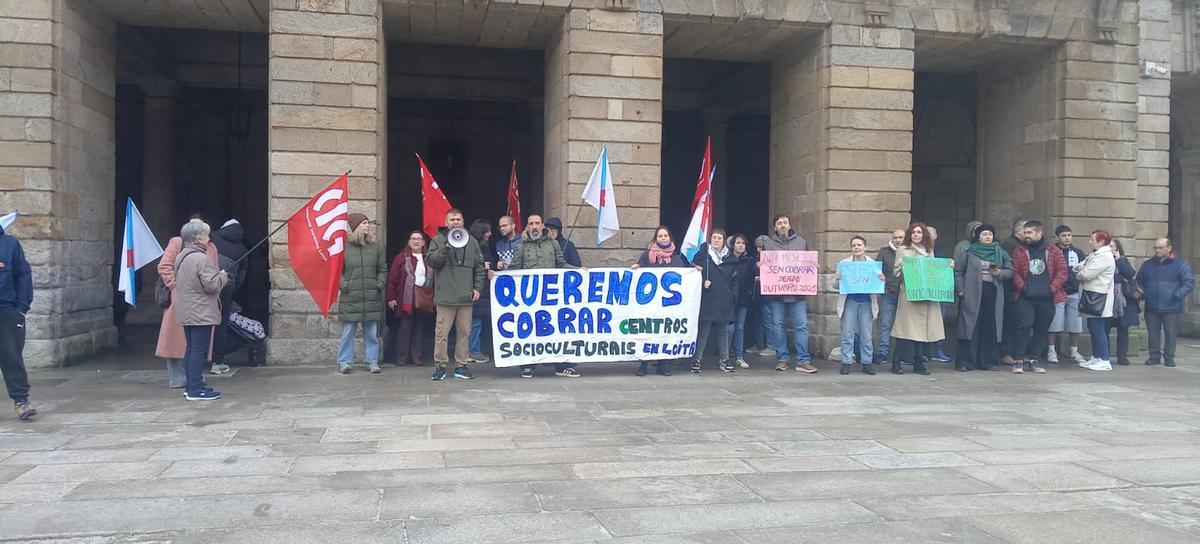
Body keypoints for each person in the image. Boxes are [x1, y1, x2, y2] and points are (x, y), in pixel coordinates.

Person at [508, 214, 579, 378]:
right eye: (531, 223)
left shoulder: (553, 244)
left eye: (537, 223)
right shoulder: (521, 246)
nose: (534, 226)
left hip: (551, 297)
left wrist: (578, 270)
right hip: (530, 298)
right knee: (529, 330)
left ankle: (561, 365)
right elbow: (514, 269)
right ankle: (527, 365)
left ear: (542, 226)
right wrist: (497, 275)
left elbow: (561, 264)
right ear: (527, 226)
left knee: (556, 329)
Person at [157, 216, 219, 389]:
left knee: (196, 344)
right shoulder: (177, 243)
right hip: (181, 299)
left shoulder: (211, 247)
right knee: (177, 342)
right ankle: (179, 379)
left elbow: (210, 273)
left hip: (203, 301)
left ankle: (194, 379)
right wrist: (175, 286)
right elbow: (164, 265)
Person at [427, 208, 485, 381]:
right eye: (452, 220)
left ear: (463, 222)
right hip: (445, 297)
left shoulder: (472, 242)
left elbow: (480, 267)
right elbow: (431, 262)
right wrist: (445, 248)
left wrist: (477, 288)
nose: (455, 222)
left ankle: (461, 365)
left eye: (458, 219)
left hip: (465, 296)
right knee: (441, 334)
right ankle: (440, 366)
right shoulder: (437, 240)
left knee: (464, 333)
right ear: (446, 222)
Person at [174, 220, 228, 400]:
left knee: (191, 348)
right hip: (200, 311)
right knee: (198, 350)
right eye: (206, 235)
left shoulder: (182, 256)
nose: (208, 238)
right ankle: (196, 389)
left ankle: (192, 384)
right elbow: (211, 286)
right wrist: (222, 276)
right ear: (198, 239)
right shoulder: (201, 258)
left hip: (187, 309)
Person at [1008, 221, 1066, 374]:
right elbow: (1015, 272)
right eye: (1024, 232)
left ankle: (1035, 360)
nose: (1025, 235)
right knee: (1024, 325)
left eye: (1029, 233)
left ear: (1039, 233)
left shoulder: (1053, 251)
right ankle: (1018, 360)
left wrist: (1052, 289)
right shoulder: (1020, 251)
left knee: (1041, 329)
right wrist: (1023, 288)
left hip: (1047, 297)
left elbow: (1062, 272)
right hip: (1025, 296)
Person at [953, 224, 1013, 372]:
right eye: (984, 234)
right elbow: (958, 271)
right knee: (970, 326)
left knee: (991, 327)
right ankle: (966, 362)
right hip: (972, 293)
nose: (988, 237)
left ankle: (988, 361)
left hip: (993, 292)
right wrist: (961, 291)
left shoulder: (999, 251)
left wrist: (999, 273)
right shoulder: (969, 252)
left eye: (990, 234)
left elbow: (1010, 269)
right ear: (978, 236)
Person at [762, 214, 816, 373]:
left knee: (802, 326)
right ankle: (782, 359)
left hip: (797, 293)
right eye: (779, 223)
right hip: (777, 294)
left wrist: (813, 266)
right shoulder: (768, 245)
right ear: (775, 227)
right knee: (777, 326)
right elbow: (767, 267)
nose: (783, 225)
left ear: (789, 225)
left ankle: (803, 361)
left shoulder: (801, 242)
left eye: (785, 222)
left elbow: (808, 263)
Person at [631, 226, 687, 376]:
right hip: (650, 304)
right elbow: (640, 274)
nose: (663, 238)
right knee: (648, 332)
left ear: (670, 238)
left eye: (665, 236)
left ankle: (663, 365)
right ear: (656, 239)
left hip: (668, 305)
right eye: (660, 236)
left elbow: (684, 276)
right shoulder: (647, 256)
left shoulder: (676, 258)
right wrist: (636, 268)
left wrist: (695, 271)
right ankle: (644, 365)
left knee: (665, 333)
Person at [891, 223, 944, 375]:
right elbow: (896, 272)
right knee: (904, 330)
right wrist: (902, 267)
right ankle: (896, 362)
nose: (916, 234)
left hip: (925, 296)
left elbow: (933, 271)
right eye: (913, 232)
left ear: (923, 235)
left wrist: (946, 267)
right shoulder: (903, 250)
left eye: (919, 232)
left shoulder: (929, 251)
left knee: (923, 332)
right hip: (910, 296)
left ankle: (919, 363)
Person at [337, 213, 386, 375]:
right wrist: (344, 285)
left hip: (371, 297)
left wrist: (378, 284)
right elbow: (337, 271)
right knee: (347, 332)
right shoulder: (343, 248)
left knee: (371, 333)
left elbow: (382, 269)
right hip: (350, 296)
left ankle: (372, 361)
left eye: (368, 223)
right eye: (364, 223)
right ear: (355, 227)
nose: (368, 226)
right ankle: (344, 361)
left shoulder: (376, 247)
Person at [1137, 237, 1195, 367]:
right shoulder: (1148, 265)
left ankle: (1169, 357)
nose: (1157, 250)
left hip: (1171, 306)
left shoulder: (1180, 264)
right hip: (1152, 305)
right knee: (1152, 333)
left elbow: (1189, 283)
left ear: (1169, 249)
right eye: (1155, 248)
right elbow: (1139, 280)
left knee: (1170, 333)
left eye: (1160, 248)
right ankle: (1154, 356)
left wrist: (1176, 295)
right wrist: (1142, 293)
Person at [834, 235, 884, 375]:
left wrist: (881, 279)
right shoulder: (844, 264)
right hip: (849, 301)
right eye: (854, 245)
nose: (856, 247)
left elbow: (877, 286)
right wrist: (837, 279)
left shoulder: (872, 265)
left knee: (866, 335)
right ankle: (846, 362)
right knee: (847, 333)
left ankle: (867, 362)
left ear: (865, 247)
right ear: (851, 248)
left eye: (859, 245)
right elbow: (836, 286)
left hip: (866, 302)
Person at [0, 221, 35, 419]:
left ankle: (21, 401)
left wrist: (21, 308)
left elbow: (23, 275)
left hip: (6, 309)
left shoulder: (9, 244)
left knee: (11, 357)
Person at [691, 229, 736, 374]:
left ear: (724, 240)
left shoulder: (730, 258)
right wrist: (703, 279)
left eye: (719, 238)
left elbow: (735, 280)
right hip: (707, 298)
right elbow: (692, 273)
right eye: (714, 238)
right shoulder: (702, 256)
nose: (716, 240)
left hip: (724, 299)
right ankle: (696, 360)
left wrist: (733, 295)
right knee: (704, 330)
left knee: (723, 331)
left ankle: (724, 359)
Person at [385, 230, 432, 367]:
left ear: (423, 242)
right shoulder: (402, 257)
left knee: (419, 328)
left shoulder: (428, 258)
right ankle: (402, 357)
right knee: (405, 328)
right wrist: (391, 298)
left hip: (423, 297)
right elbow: (392, 279)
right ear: (409, 242)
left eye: (419, 239)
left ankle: (416, 356)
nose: (416, 241)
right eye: (413, 239)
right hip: (406, 299)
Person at [209, 218, 248, 375]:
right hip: (226, 288)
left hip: (206, 287)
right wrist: (231, 289)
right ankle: (218, 361)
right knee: (221, 324)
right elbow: (241, 277)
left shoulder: (213, 238)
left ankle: (193, 357)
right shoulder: (242, 249)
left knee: (199, 323)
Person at [1075, 230, 1116, 371]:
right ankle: (1097, 356)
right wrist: (1081, 269)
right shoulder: (1096, 254)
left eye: (1092, 239)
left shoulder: (1103, 257)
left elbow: (1086, 274)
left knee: (1098, 329)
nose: (1089, 241)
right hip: (1092, 295)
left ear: (1101, 241)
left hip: (1099, 297)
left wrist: (1080, 272)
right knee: (1093, 327)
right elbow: (1081, 265)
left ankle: (1104, 359)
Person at [1048, 225, 1088, 365]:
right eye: (1064, 235)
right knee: (1055, 323)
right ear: (1057, 237)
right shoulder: (1051, 251)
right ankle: (1051, 350)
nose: (1067, 238)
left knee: (1075, 324)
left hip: (1074, 291)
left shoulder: (1078, 252)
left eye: (1069, 235)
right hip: (1058, 291)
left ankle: (1074, 350)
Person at [874, 229, 905, 364]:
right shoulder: (884, 252)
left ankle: (903, 354)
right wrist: (878, 274)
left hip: (905, 294)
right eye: (896, 237)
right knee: (885, 324)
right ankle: (883, 352)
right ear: (892, 238)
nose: (898, 240)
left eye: (901, 237)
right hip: (888, 292)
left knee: (905, 324)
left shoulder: (909, 252)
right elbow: (875, 268)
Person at [467, 219, 496, 364]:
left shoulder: (485, 247)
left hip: (485, 290)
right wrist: (481, 265)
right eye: (488, 231)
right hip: (477, 289)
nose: (490, 234)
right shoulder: (471, 246)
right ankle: (473, 351)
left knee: (480, 322)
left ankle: (480, 350)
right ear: (481, 232)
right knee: (475, 323)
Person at [726, 234, 757, 369]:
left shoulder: (749, 261)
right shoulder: (726, 260)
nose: (740, 245)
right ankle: (725, 355)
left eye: (743, 243)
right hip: (729, 299)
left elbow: (752, 278)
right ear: (733, 245)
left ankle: (739, 356)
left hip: (743, 298)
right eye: (738, 243)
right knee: (728, 329)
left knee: (739, 328)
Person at [1108, 239, 1140, 366]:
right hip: (1108, 300)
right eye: (1109, 247)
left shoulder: (1123, 261)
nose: (1111, 249)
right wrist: (1120, 278)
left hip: (1123, 301)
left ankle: (1122, 356)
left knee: (1123, 330)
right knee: (1105, 329)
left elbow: (1131, 274)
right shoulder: (1103, 261)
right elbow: (1109, 277)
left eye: (1113, 247)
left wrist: (1119, 259)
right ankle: (1104, 355)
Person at [925, 225, 951, 363]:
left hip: (940, 292)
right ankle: (923, 352)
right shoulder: (920, 252)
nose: (929, 236)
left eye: (931, 234)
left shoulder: (942, 252)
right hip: (924, 293)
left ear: (936, 236)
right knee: (923, 323)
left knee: (939, 323)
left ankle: (938, 350)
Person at [753, 234, 775, 357]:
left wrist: (763, 277)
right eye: (757, 247)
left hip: (768, 295)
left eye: (761, 247)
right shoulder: (755, 259)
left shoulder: (773, 260)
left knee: (768, 321)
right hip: (757, 294)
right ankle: (759, 344)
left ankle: (771, 346)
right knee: (758, 320)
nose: (758, 250)